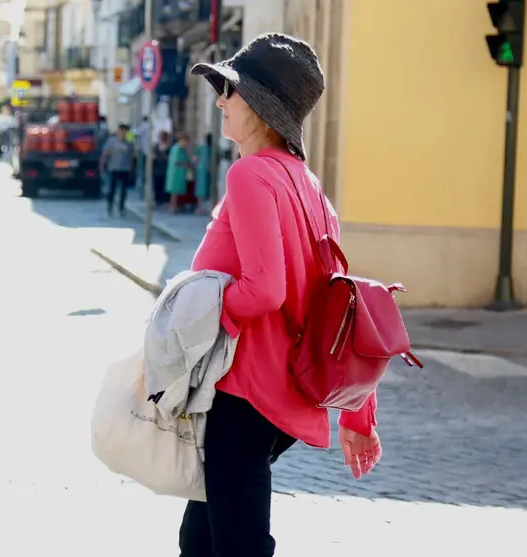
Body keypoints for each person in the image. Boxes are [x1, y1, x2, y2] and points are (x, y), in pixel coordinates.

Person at [178, 33, 381, 556]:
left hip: (244, 395)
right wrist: (359, 414)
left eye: (232, 92)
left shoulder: (250, 175)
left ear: (264, 109)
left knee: (239, 544)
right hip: (276, 398)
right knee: (199, 541)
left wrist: (201, 311)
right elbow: (338, 301)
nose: (222, 100)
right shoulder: (311, 188)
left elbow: (265, 292)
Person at [99, 123, 134, 216]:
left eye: (125, 132)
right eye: (121, 131)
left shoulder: (129, 142)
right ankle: (110, 206)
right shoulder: (111, 141)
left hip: (125, 169)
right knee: (112, 189)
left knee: (123, 190)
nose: (123, 133)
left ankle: (121, 207)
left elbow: (131, 155)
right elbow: (105, 154)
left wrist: (131, 167)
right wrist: (102, 165)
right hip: (113, 168)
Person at [165, 133, 192, 213]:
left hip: (180, 173)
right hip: (175, 174)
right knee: (174, 192)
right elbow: (176, 162)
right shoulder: (176, 149)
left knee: (177, 192)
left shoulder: (182, 149)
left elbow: (187, 159)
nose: (186, 143)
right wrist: (185, 165)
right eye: (186, 141)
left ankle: (175, 207)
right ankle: (172, 207)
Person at [193, 134, 213, 214]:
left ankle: (200, 208)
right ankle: (207, 207)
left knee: (200, 190)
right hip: (209, 170)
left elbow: (195, 157)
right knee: (208, 189)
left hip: (201, 170)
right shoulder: (212, 149)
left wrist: (196, 164)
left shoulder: (201, 148)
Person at [153, 131, 172, 207]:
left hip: (166, 168)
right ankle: (157, 200)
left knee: (165, 185)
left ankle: (165, 200)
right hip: (157, 169)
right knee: (157, 185)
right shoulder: (157, 146)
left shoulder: (169, 146)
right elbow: (154, 156)